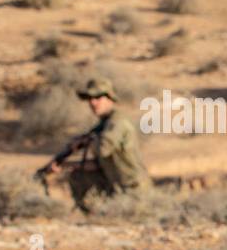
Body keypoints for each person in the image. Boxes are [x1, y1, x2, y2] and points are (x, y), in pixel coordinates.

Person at [40, 77, 148, 211]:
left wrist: (86, 141)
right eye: (89, 98)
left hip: (133, 189)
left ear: (110, 98)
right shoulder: (103, 125)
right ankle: (89, 214)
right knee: (78, 176)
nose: (92, 102)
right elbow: (98, 164)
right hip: (115, 186)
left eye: (98, 97)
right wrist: (63, 166)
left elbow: (103, 149)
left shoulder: (118, 122)